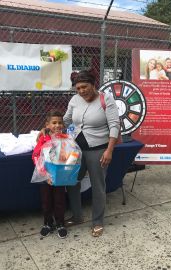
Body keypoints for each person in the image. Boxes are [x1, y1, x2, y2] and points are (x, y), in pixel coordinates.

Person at [63, 70, 120, 237]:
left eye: (84, 87)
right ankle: (77, 216)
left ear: (93, 85)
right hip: (77, 150)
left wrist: (109, 150)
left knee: (98, 186)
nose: (81, 91)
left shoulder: (106, 99)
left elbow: (114, 125)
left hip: (99, 150)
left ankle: (97, 221)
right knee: (72, 182)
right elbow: (66, 119)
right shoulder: (75, 100)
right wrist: (51, 127)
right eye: (78, 88)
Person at [32, 110, 68, 238]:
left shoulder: (66, 138)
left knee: (60, 200)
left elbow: (71, 156)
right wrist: (45, 174)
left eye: (60, 123)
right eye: (54, 123)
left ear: (63, 125)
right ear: (47, 125)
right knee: (46, 201)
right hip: (45, 177)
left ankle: (60, 223)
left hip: (59, 176)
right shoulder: (43, 138)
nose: (57, 125)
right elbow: (36, 155)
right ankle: (47, 223)